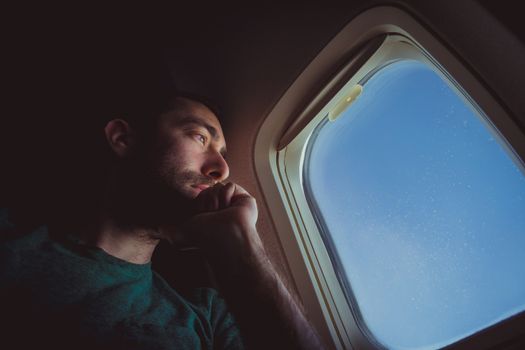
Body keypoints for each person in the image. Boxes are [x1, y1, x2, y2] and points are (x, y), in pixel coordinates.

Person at [0, 62, 324, 349]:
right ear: (123, 139)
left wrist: (244, 248)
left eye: (223, 154)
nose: (222, 170)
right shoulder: (13, 244)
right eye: (200, 138)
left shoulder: (207, 316)